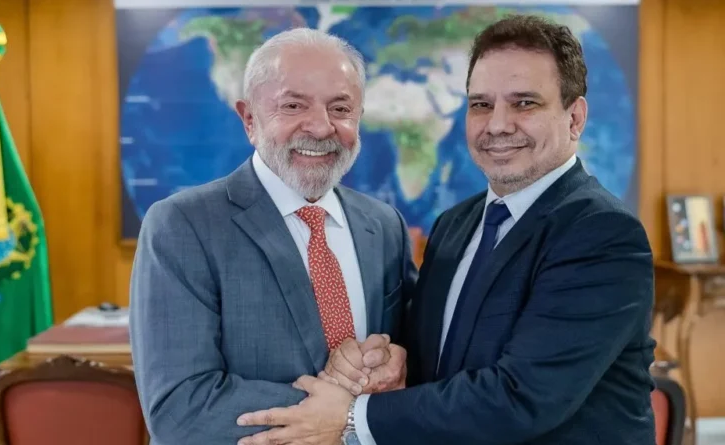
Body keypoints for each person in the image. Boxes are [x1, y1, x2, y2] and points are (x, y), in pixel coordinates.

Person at [236, 15, 657, 445]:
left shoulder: (603, 235)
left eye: (525, 103)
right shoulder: (455, 226)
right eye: (481, 104)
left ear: (575, 118)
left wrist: (350, 418)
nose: (498, 124)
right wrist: (389, 361)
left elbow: (522, 397)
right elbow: (432, 365)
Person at [128, 27, 418, 445]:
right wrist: (346, 417)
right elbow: (180, 408)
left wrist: (397, 360)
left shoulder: (384, 225)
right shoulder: (181, 226)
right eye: (293, 105)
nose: (321, 127)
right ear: (249, 119)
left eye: (340, 108)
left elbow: (413, 353)